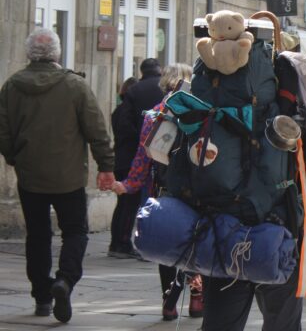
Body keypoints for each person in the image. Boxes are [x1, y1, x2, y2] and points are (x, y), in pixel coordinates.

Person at [0, 28, 115, 323]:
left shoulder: (12, 86)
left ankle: (42, 296)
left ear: (29, 54)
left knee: (37, 236)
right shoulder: (74, 86)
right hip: (69, 177)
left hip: (30, 176)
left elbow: (3, 130)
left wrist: (15, 156)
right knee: (75, 232)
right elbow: (97, 129)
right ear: (57, 53)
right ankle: (64, 280)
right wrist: (106, 165)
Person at [112, 63, 197, 321]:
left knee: (167, 244)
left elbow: (143, 158)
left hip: (162, 190)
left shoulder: (155, 115)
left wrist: (128, 184)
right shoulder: (200, 114)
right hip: (195, 192)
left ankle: (169, 302)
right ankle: (196, 298)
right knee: (196, 243)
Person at [108, 76, 141, 259]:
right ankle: (123, 242)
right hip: (128, 161)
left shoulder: (117, 110)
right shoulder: (128, 112)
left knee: (122, 204)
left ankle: (116, 242)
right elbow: (130, 134)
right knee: (129, 204)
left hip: (119, 159)